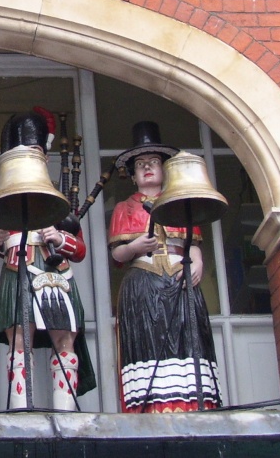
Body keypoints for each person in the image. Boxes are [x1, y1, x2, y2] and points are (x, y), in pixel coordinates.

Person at [0, 109, 96, 411]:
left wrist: (60, 238)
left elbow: (79, 250)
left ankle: (65, 410)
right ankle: (19, 407)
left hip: (56, 274)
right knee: (19, 342)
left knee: (64, 340)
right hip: (17, 269)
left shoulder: (59, 197)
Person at [107, 121, 221, 413]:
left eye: (154, 163)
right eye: (141, 164)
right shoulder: (124, 208)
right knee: (149, 341)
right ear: (132, 175)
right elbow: (118, 254)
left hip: (178, 280)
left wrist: (197, 259)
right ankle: (152, 405)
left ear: (164, 169)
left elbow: (192, 241)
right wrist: (134, 248)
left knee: (186, 338)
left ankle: (191, 402)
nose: (147, 168)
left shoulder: (180, 203)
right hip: (144, 282)